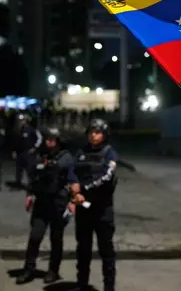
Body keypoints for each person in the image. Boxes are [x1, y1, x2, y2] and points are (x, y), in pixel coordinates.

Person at [17, 127, 77, 285]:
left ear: (58, 141)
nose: (48, 141)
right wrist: (29, 194)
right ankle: (29, 269)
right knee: (35, 237)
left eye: (52, 139)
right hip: (42, 202)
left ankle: (53, 271)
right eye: (47, 139)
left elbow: (73, 181)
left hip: (58, 203)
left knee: (56, 239)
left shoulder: (66, 158)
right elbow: (34, 178)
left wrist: (72, 202)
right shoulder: (40, 155)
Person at [70, 118, 120, 291]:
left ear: (104, 134)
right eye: (91, 132)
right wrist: (75, 190)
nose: (94, 135)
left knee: (106, 251)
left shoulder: (109, 153)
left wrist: (83, 189)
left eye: (97, 132)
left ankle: (109, 287)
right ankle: (81, 283)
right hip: (84, 208)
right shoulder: (81, 152)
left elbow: (106, 178)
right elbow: (72, 172)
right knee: (83, 249)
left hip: (102, 209)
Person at [12, 114, 42, 189]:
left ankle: (31, 185)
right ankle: (18, 184)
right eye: (20, 121)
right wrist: (14, 151)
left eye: (22, 120)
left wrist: (34, 147)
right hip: (20, 153)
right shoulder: (18, 130)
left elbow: (39, 139)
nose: (21, 122)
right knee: (19, 170)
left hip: (29, 153)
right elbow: (16, 142)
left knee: (30, 170)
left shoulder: (32, 130)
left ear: (26, 121)